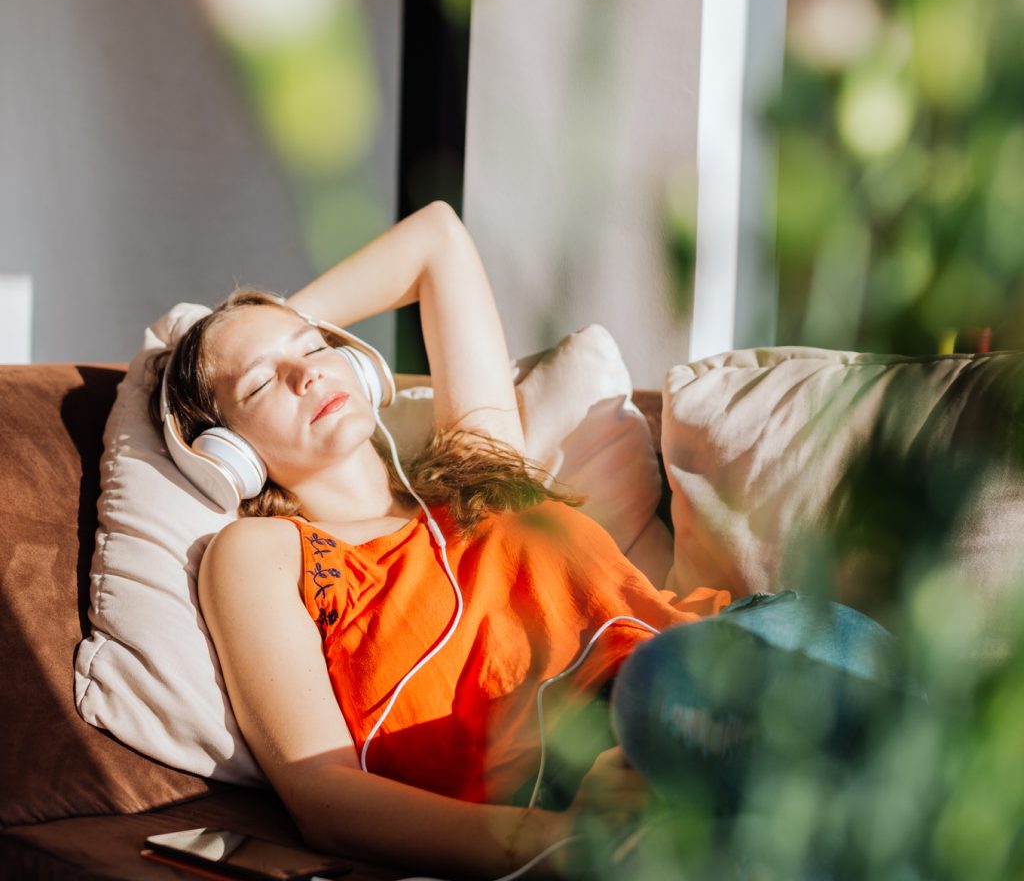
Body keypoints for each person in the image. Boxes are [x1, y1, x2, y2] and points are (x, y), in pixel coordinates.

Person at [148, 201, 907, 880]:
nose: (306, 377)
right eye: (259, 384)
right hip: (603, 763)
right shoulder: (262, 552)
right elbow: (323, 795)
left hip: (743, 647)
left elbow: (438, 240)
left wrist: (275, 326)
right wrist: (560, 840)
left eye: (314, 351)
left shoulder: (475, 467)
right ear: (225, 452)